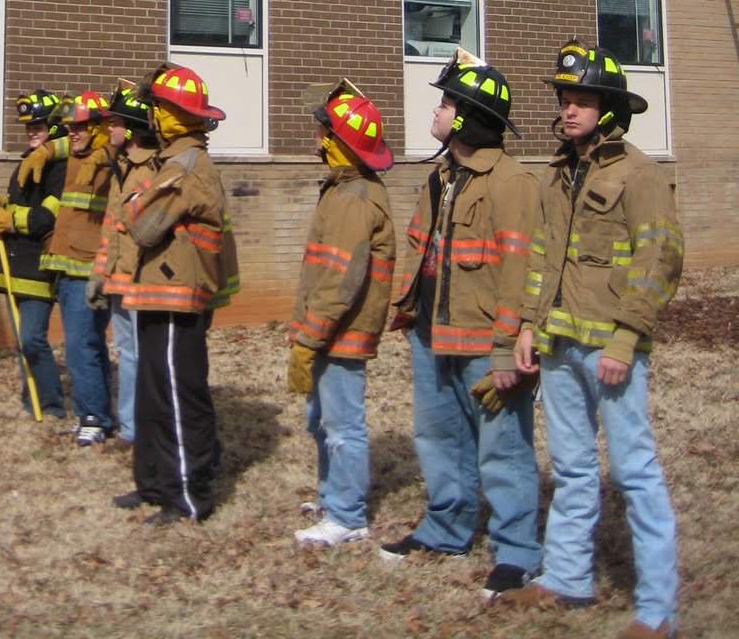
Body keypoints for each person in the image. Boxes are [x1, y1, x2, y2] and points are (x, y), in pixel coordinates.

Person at [498, 40, 683, 639]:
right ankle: (566, 578)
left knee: (635, 472)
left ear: (609, 109)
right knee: (573, 468)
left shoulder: (640, 174)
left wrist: (627, 338)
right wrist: (528, 324)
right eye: (565, 99)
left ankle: (657, 612)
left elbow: (661, 258)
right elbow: (541, 260)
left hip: (611, 351)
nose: (569, 110)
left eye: (582, 100)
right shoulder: (557, 176)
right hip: (558, 345)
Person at [381, 56, 542, 599]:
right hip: (432, 333)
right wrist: (408, 310)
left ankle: (518, 553)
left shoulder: (513, 184)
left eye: (447, 103)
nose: (437, 109)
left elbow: (520, 273)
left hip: (484, 342)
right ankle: (445, 529)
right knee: (438, 437)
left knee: (505, 448)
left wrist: (506, 348)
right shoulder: (440, 176)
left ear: (470, 117)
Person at [113, 65, 240, 525]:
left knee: (175, 394)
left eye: (159, 108)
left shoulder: (185, 166)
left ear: (175, 116)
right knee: (152, 392)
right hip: (158, 291)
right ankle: (153, 483)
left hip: (177, 295)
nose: (152, 115)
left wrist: (133, 205)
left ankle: (187, 497)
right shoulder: (174, 162)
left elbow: (144, 226)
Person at [289, 86, 396, 548]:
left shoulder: (355, 199)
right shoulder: (342, 188)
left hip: (341, 333)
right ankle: (334, 497)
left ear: (339, 142)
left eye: (321, 134)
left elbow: (341, 283)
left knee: (342, 424)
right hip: (328, 331)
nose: (315, 141)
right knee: (321, 420)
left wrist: (309, 339)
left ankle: (348, 516)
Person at [0, 90, 68, 420]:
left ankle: (53, 406)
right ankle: (33, 402)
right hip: (11, 264)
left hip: (38, 268)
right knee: (20, 341)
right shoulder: (25, 163)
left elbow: (46, 218)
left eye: (39, 126)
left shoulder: (60, 169)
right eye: (29, 126)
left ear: (55, 127)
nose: (32, 132)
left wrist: (8, 218)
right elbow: (20, 208)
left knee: (32, 338)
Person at [32, 92, 115, 444]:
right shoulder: (73, 160)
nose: (74, 133)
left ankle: (93, 417)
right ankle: (97, 412)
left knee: (82, 346)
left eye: (81, 127)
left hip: (87, 271)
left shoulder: (108, 163)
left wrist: (105, 151)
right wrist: (45, 150)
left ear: (98, 128)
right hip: (68, 269)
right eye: (70, 128)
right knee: (85, 345)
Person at [87, 83, 159, 447]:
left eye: (114, 123)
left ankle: (142, 427)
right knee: (126, 354)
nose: (108, 129)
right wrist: (100, 273)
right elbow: (110, 228)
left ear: (131, 128)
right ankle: (130, 427)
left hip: (140, 281)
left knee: (142, 356)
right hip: (118, 279)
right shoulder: (123, 168)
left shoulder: (151, 171)